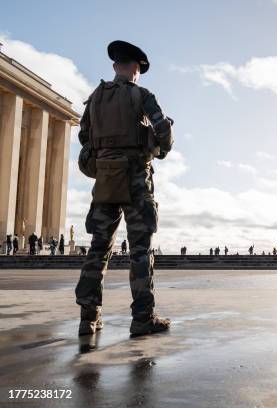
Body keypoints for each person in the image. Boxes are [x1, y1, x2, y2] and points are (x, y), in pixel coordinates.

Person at [75, 40, 174, 336]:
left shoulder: (95, 98)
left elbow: (83, 135)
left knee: (98, 248)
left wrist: (106, 153)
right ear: (134, 68)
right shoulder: (141, 95)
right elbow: (163, 130)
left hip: (106, 176)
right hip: (134, 176)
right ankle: (143, 317)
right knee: (140, 249)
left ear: (115, 65)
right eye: (139, 69)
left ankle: (88, 318)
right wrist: (160, 149)